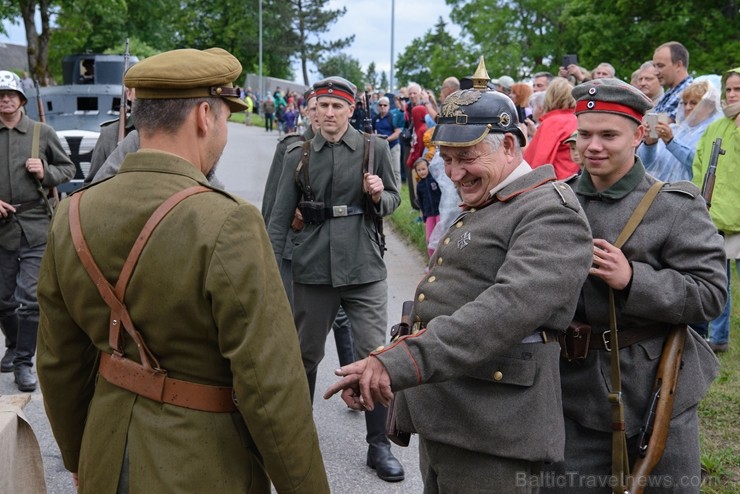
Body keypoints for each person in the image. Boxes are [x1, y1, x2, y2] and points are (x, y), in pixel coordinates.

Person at [35, 48, 329, 493]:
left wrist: (79, 455)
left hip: (105, 456)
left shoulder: (73, 212)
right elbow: (271, 388)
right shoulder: (230, 222)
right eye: (227, 119)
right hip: (202, 466)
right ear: (204, 116)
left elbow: (58, 362)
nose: (224, 133)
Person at [324, 58, 594, 493]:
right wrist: (382, 364)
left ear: (509, 145)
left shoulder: (549, 210)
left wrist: (400, 363)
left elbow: (504, 311)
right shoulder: (496, 199)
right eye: (446, 159)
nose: (452, 174)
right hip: (449, 413)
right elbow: (449, 300)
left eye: (465, 157)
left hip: (495, 432)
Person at [540, 78, 726, 493]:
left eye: (609, 135)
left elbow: (711, 294)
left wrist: (633, 280)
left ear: (639, 135)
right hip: (572, 393)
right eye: (585, 134)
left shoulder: (674, 206)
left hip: (653, 395)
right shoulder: (555, 202)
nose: (594, 146)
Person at [267, 76, 404, 482]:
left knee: (374, 353)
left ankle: (378, 444)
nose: (329, 113)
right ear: (312, 109)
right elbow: (277, 220)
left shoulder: (373, 148)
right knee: (304, 355)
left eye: (337, 107)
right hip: (313, 267)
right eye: (322, 106)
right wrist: (272, 272)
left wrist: (379, 194)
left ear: (350, 110)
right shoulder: (299, 150)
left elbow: (395, 201)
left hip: (363, 267)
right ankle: (298, 440)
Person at [261, 88, 356, 369]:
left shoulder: (350, 149)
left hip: (338, 252)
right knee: (298, 328)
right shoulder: (291, 148)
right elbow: (272, 206)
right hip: (297, 251)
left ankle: (353, 381)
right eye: (314, 108)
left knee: (343, 318)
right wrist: (270, 255)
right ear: (307, 112)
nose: (321, 114)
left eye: (327, 107)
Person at [0, 70, 75, 391]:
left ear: (21, 100)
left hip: (35, 226)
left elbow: (68, 169)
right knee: (2, 300)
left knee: (29, 299)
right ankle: (15, 344)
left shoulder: (41, 133)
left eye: (11, 95)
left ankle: (23, 363)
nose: (5, 99)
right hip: (2, 231)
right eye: (0, 95)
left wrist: (45, 171)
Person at [692, 67, 740, 353]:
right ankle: (718, 337)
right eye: (729, 90)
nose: (732, 95)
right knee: (718, 280)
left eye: (738, 90)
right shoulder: (716, 126)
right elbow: (699, 165)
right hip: (716, 216)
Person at [638, 80, 722, 182]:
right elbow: (643, 164)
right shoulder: (673, 129)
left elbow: (701, 165)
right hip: (655, 191)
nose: (687, 107)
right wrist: (650, 144)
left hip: (686, 195)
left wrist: (671, 142)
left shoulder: (714, 133)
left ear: (710, 106)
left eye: (694, 103)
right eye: (685, 103)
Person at [524, 77, 579, 179]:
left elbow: (539, 161)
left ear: (550, 97)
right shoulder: (576, 119)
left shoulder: (553, 122)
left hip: (555, 184)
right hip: (571, 181)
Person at [85, 87, 136, 184]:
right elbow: (90, 184)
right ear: (129, 93)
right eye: (141, 90)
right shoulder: (110, 133)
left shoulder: (170, 132)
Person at [652, 41, 693, 122]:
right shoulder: (670, 92)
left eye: (660, 66)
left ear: (678, 65)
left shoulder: (689, 92)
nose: (655, 72)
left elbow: (659, 128)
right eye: (654, 66)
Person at [412, 157, 441, 258]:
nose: (421, 172)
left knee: (441, 236)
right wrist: (424, 217)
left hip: (440, 213)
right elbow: (421, 203)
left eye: (423, 169)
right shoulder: (420, 186)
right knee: (429, 239)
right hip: (429, 215)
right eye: (419, 170)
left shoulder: (435, 180)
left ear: (428, 168)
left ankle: (442, 260)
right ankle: (432, 263)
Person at [372, 95, 402, 186]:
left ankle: (397, 193)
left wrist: (386, 139)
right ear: (378, 106)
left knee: (395, 170)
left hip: (393, 146)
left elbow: (397, 132)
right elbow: (373, 131)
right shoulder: (375, 118)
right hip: (381, 147)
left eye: (385, 105)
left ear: (388, 106)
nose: (382, 107)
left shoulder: (393, 117)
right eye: (380, 105)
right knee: (382, 170)